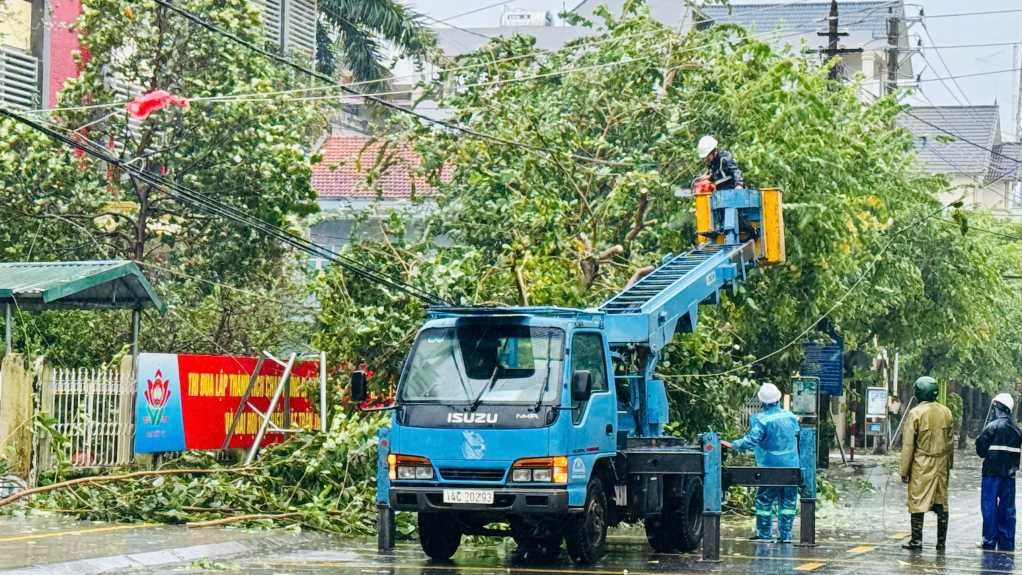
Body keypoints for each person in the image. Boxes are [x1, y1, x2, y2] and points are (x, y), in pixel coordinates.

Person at [722, 383, 800, 543]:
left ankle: (764, 535)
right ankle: (786, 536)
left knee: (765, 500)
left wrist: (734, 444)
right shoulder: (791, 417)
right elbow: (798, 437)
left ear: (762, 401)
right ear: (778, 399)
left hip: (769, 468)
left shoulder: (760, 420)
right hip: (792, 467)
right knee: (788, 502)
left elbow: (751, 440)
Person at [899, 376, 954, 551]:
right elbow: (950, 442)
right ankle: (941, 542)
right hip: (941, 463)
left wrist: (904, 470)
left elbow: (908, 445)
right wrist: (948, 464)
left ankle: (916, 540)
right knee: (941, 502)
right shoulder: (946, 412)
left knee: (917, 501)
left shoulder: (916, 413)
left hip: (921, 464)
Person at [976, 393, 1021, 551]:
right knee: (1008, 508)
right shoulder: (1017, 430)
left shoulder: (992, 426)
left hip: (991, 473)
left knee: (989, 506)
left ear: (998, 408)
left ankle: (989, 540)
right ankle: (1007, 542)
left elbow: (981, 450)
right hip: (1009, 475)